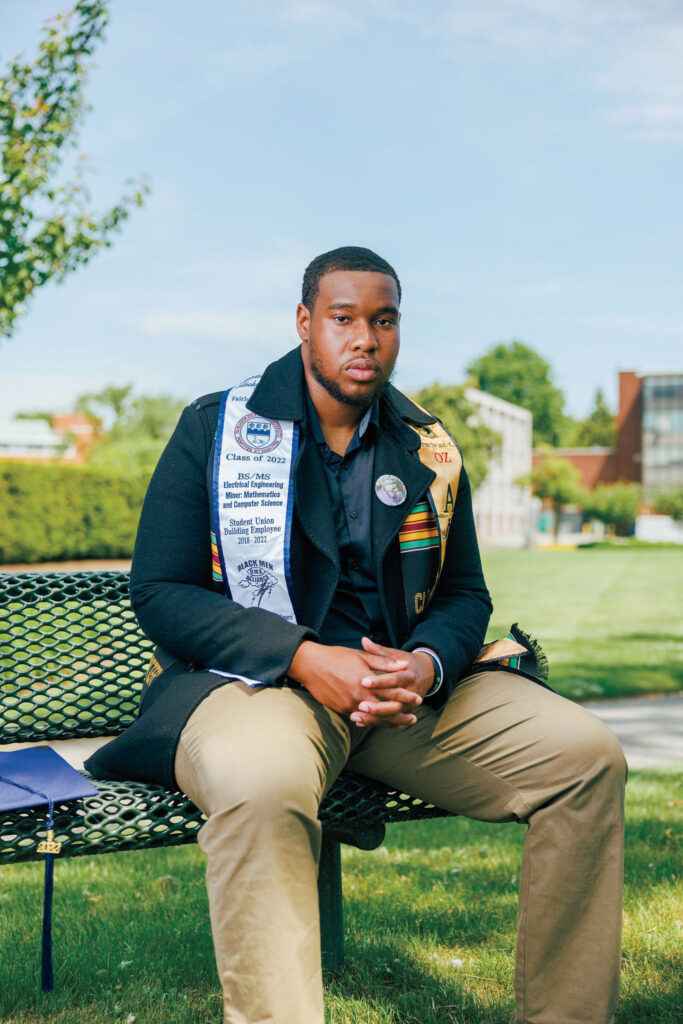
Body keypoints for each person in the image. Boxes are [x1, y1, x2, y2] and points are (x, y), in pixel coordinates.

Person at [86, 246, 627, 1024]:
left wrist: (428, 664)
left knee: (584, 760)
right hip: (262, 688)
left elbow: (464, 591)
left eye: (383, 320)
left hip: (400, 699)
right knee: (260, 785)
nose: (364, 338)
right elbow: (160, 591)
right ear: (305, 323)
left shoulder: (427, 447)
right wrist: (302, 657)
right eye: (342, 319)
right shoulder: (217, 428)